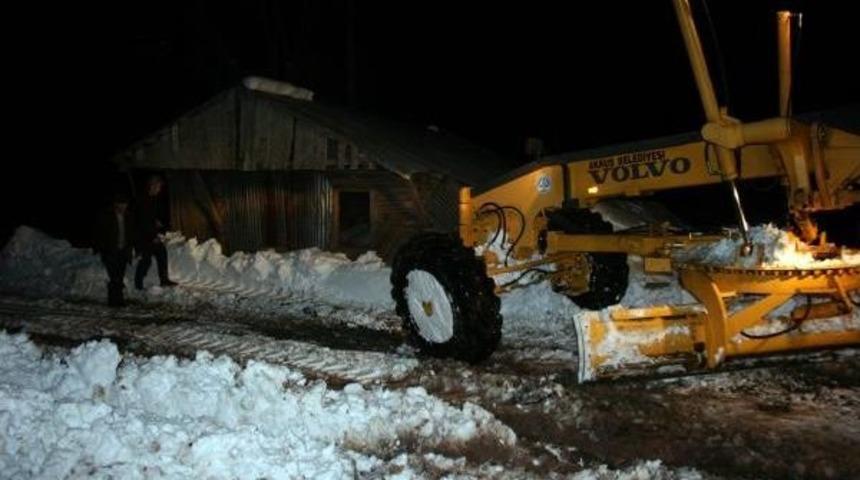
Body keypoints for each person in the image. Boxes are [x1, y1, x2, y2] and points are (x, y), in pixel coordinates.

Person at [134, 175, 178, 289]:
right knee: (146, 260)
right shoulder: (143, 199)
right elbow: (142, 221)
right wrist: (153, 236)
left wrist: (156, 222)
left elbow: (150, 217)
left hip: (150, 233)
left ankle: (164, 280)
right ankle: (138, 283)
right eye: (158, 187)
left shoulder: (153, 199)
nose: (159, 189)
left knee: (161, 252)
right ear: (152, 186)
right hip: (143, 236)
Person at [93, 192, 135, 307]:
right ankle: (113, 301)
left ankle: (119, 300)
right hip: (110, 251)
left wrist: (131, 249)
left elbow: (131, 234)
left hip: (123, 250)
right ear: (116, 204)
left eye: (125, 204)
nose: (123, 207)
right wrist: (101, 249)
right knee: (114, 277)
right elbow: (100, 233)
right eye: (121, 204)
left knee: (120, 276)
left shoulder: (128, 216)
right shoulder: (107, 216)